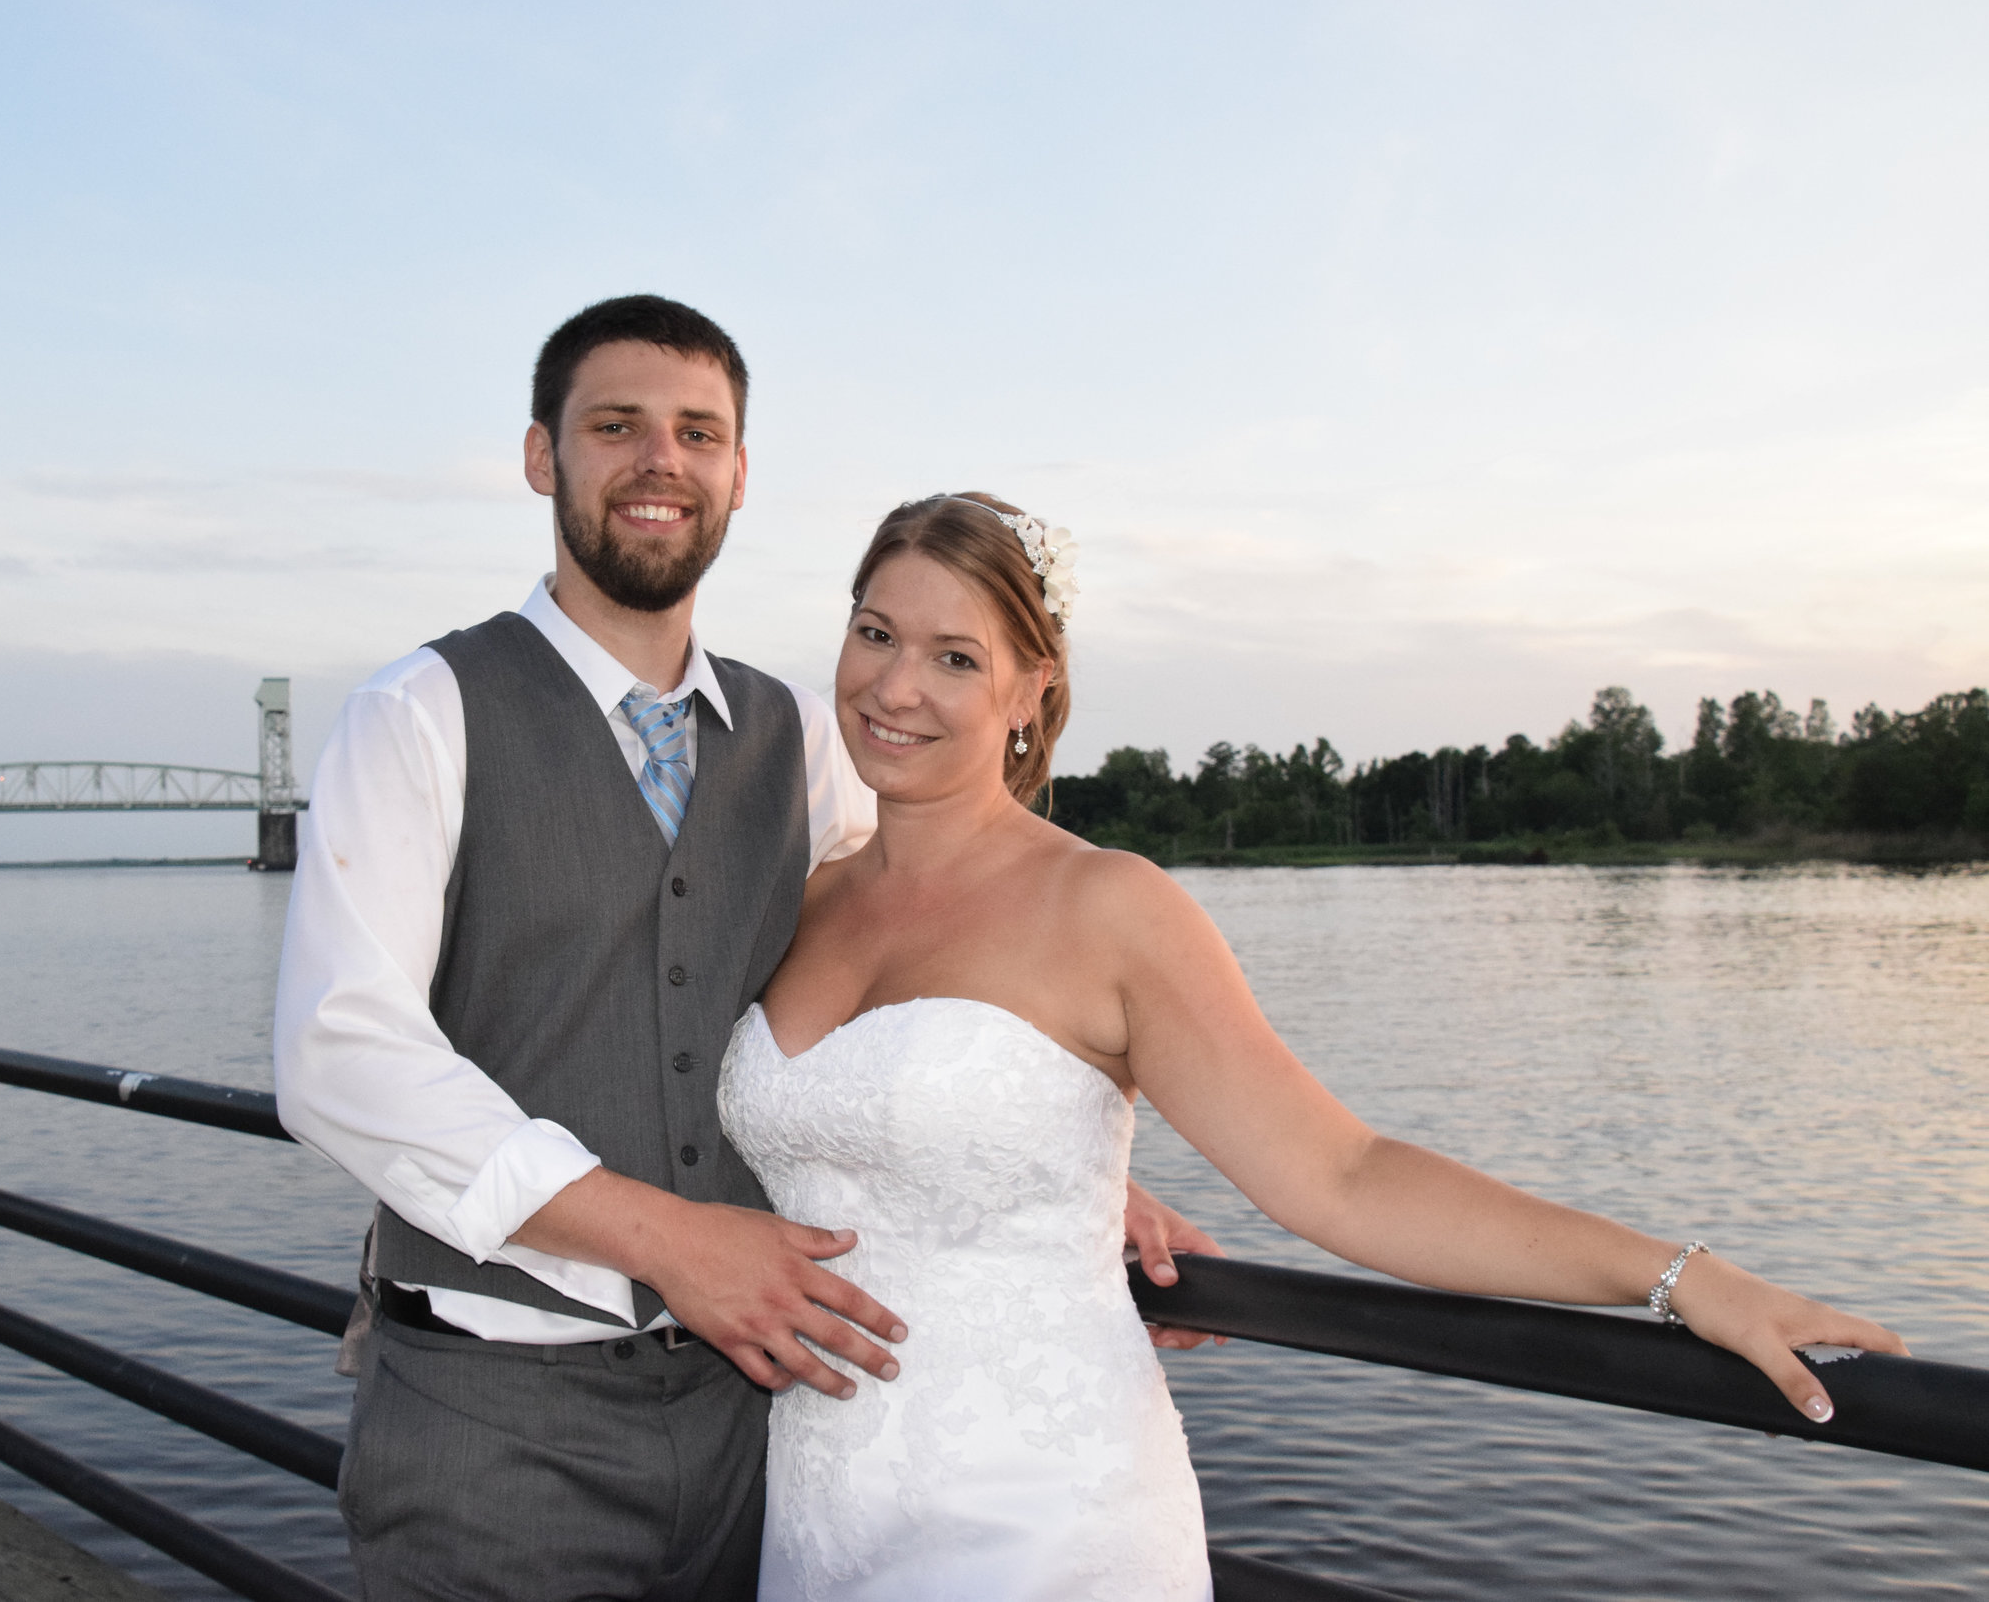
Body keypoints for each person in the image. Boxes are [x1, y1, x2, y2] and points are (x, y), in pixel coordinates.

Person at [718, 492, 1910, 1602]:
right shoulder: (801, 895)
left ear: (1031, 688)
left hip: (1032, 1515)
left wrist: (1681, 1277)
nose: (894, 685)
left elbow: (1339, 1172)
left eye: (955, 656)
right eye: (875, 633)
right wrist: (1078, 1178)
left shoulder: (1106, 906)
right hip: (818, 1509)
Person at [272, 299, 1214, 1602]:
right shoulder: (420, 712)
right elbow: (340, 1052)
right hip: (495, 1421)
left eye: (697, 433)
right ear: (544, 455)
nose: (661, 460)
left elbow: (906, 975)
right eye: (617, 426)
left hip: (751, 1423)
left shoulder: (801, 735)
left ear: (738, 475)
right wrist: (666, 1236)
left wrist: (1042, 1167)